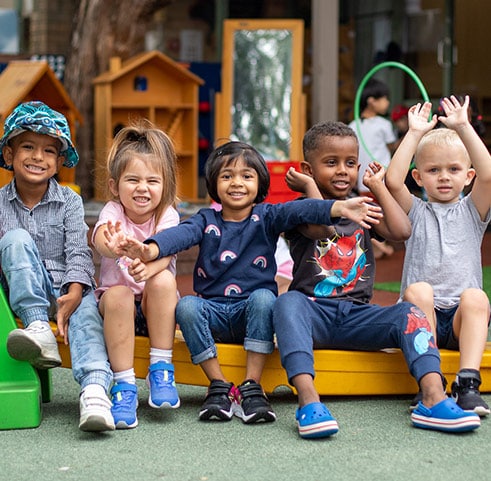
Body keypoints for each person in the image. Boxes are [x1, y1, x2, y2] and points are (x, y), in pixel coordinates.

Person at [103, 140, 383, 425]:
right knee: (186, 305)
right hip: (212, 313)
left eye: (246, 176)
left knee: (265, 298)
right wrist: (149, 249)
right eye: (227, 176)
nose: (237, 183)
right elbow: (179, 236)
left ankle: (251, 384)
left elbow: (299, 211)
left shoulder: (268, 216)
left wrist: (337, 207)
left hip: (253, 313)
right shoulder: (205, 219)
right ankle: (220, 384)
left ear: (260, 183)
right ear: (214, 183)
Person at [273, 120, 481, 440]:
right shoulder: (298, 208)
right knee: (286, 302)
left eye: (350, 163)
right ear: (307, 169)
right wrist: (310, 189)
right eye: (331, 163)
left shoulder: (363, 206)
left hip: (357, 315)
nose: (343, 171)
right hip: (314, 313)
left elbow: (401, 232)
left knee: (408, 312)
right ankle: (308, 400)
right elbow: (322, 228)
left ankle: (432, 396)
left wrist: (378, 188)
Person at [0, 101, 114, 432]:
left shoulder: (70, 201)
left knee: (87, 318)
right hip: (22, 293)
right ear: (9, 155)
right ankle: (37, 328)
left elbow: (79, 251)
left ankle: (94, 390)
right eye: (28, 147)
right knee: (15, 239)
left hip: (68, 286)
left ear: (60, 161)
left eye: (49, 151)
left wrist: (76, 292)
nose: (38, 157)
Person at [385, 96, 491, 416]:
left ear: (468, 175)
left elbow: (489, 174)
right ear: (418, 178)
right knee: (420, 290)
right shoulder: (415, 211)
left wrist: (462, 126)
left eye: (453, 169)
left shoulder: (474, 210)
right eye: (433, 170)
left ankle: (468, 383)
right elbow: (392, 179)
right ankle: (429, 380)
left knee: (476, 297)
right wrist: (414, 133)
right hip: (421, 321)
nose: (444, 176)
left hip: (460, 322)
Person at [92, 121, 180, 429]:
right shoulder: (113, 211)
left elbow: (167, 251)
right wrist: (114, 247)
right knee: (119, 293)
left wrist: (149, 265)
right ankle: (124, 385)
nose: (143, 188)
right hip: (117, 306)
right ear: (116, 186)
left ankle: (161, 367)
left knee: (165, 280)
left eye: (152, 181)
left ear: (164, 184)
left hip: (154, 307)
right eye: (133, 180)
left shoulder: (166, 214)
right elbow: (101, 238)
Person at [349, 78, 397, 258]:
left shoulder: (353, 126)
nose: (387, 103)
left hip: (363, 179)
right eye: (384, 98)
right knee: (381, 211)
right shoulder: (383, 125)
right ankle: (379, 243)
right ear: (371, 100)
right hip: (381, 177)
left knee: (370, 212)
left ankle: (376, 244)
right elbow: (393, 147)